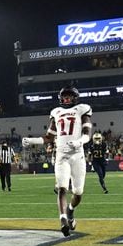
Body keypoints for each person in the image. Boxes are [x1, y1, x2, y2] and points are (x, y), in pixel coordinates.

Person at [23, 86, 92, 237]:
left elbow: (88, 133)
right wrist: (32, 140)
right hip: (61, 155)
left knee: (78, 193)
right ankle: (63, 220)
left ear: (75, 98)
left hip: (77, 155)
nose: (66, 99)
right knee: (62, 188)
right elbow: (49, 137)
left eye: (69, 96)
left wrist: (79, 142)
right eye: (64, 97)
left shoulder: (83, 109)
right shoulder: (56, 112)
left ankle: (71, 211)